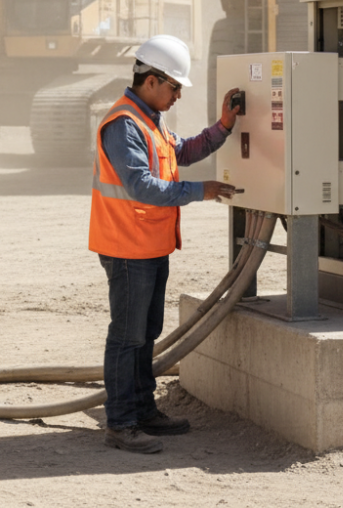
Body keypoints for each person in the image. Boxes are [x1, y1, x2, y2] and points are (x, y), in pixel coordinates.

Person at [89, 34, 240, 454]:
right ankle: (120, 423)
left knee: (146, 333)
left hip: (149, 246)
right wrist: (201, 191)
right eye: (174, 87)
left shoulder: (150, 120)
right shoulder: (124, 124)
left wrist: (223, 126)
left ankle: (142, 409)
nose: (177, 96)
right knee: (127, 336)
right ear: (151, 80)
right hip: (126, 248)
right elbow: (141, 186)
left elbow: (185, 151)